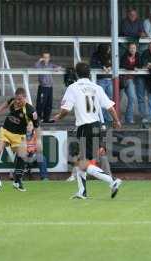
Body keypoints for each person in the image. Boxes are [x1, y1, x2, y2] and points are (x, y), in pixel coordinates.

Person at [53, 62, 123, 200]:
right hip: (96, 125)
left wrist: (58, 117)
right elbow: (110, 107)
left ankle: (112, 180)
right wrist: (117, 120)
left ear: (76, 74)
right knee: (81, 160)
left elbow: (66, 109)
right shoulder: (96, 87)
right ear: (89, 73)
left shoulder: (73, 87)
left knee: (82, 163)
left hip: (84, 127)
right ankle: (82, 191)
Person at [0, 88, 41, 192]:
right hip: (5, 131)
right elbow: (7, 102)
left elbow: (37, 126)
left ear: (25, 98)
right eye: (16, 99)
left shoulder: (31, 111)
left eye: (20, 99)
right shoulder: (13, 101)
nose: (17, 101)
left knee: (22, 155)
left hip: (19, 136)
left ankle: (17, 181)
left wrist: (38, 139)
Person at [120, 42, 146, 124]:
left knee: (132, 98)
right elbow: (123, 65)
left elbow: (140, 65)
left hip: (130, 80)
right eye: (131, 48)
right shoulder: (124, 55)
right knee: (117, 99)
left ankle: (129, 118)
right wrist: (133, 68)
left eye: (134, 48)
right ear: (128, 49)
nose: (132, 50)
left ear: (136, 49)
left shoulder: (138, 55)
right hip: (121, 79)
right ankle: (115, 118)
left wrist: (134, 68)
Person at [35, 51, 60, 123]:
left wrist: (57, 68)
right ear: (42, 58)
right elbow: (36, 67)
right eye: (44, 57)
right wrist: (39, 61)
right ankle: (38, 118)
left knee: (49, 103)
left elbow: (57, 67)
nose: (46, 59)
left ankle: (46, 118)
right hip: (43, 87)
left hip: (50, 87)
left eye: (47, 57)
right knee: (41, 103)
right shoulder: (40, 65)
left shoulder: (50, 65)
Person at [90, 44, 113, 123]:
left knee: (109, 99)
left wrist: (110, 67)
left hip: (109, 79)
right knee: (100, 99)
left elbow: (114, 63)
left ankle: (108, 118)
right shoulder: (96, 55)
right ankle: (100, 118)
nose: (109, 50)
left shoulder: (110, 55)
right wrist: (102, 67)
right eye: (108, 48)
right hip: (100, 80)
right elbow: (93, 64)